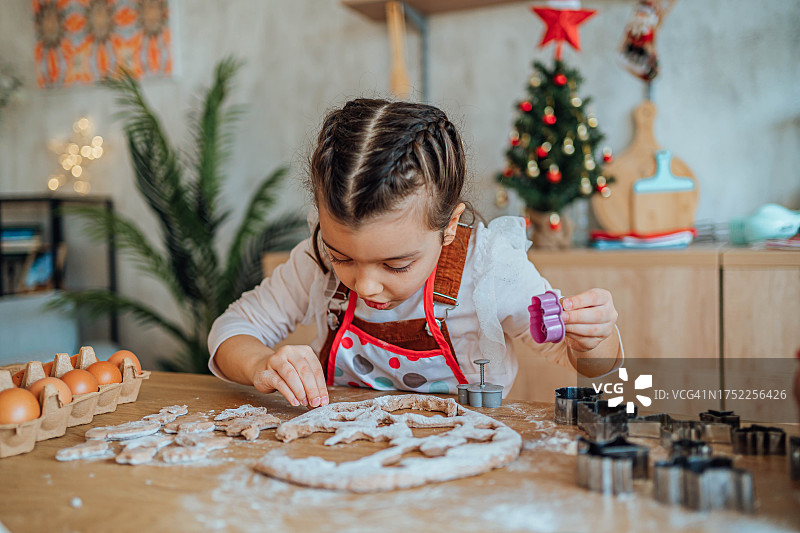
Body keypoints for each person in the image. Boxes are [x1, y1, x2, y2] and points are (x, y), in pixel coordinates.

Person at [208, 99, 623, 409]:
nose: (366, 284)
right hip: (342, 452)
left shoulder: (490, 268)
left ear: (449, 227)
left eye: (396, 264)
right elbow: (229, 332)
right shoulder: (314, 260)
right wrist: (262, 362)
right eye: (343, 257)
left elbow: (586, 367)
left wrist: (594, 341)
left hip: (465, 456)